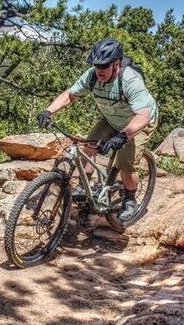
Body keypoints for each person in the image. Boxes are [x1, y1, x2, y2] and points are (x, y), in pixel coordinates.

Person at [37, 37, 158, 223]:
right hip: (111, 119)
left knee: (125, 162)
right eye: (96, 65)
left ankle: (130, 200)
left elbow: (142, 115)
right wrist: (48, 111)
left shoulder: (130, 81)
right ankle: (86, 187)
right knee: (89, 145)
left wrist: (122, 136)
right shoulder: (92, 75)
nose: (99, 70)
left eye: (104, 65)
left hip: (138, 122)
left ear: (116, 64)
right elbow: (70, 95)